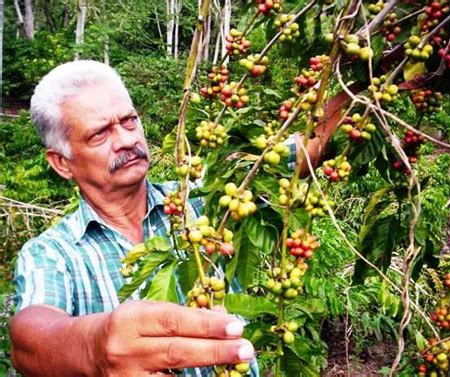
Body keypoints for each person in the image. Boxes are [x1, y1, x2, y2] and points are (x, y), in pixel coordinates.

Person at [9, 60, 328, 376]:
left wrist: (366, 70)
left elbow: (303, 150)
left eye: (130, 121)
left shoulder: (207, 199)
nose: (126, 139)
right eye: (99, 134)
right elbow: (30, 340)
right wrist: (94, 346)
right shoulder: (53, 253)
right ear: (61, 163)